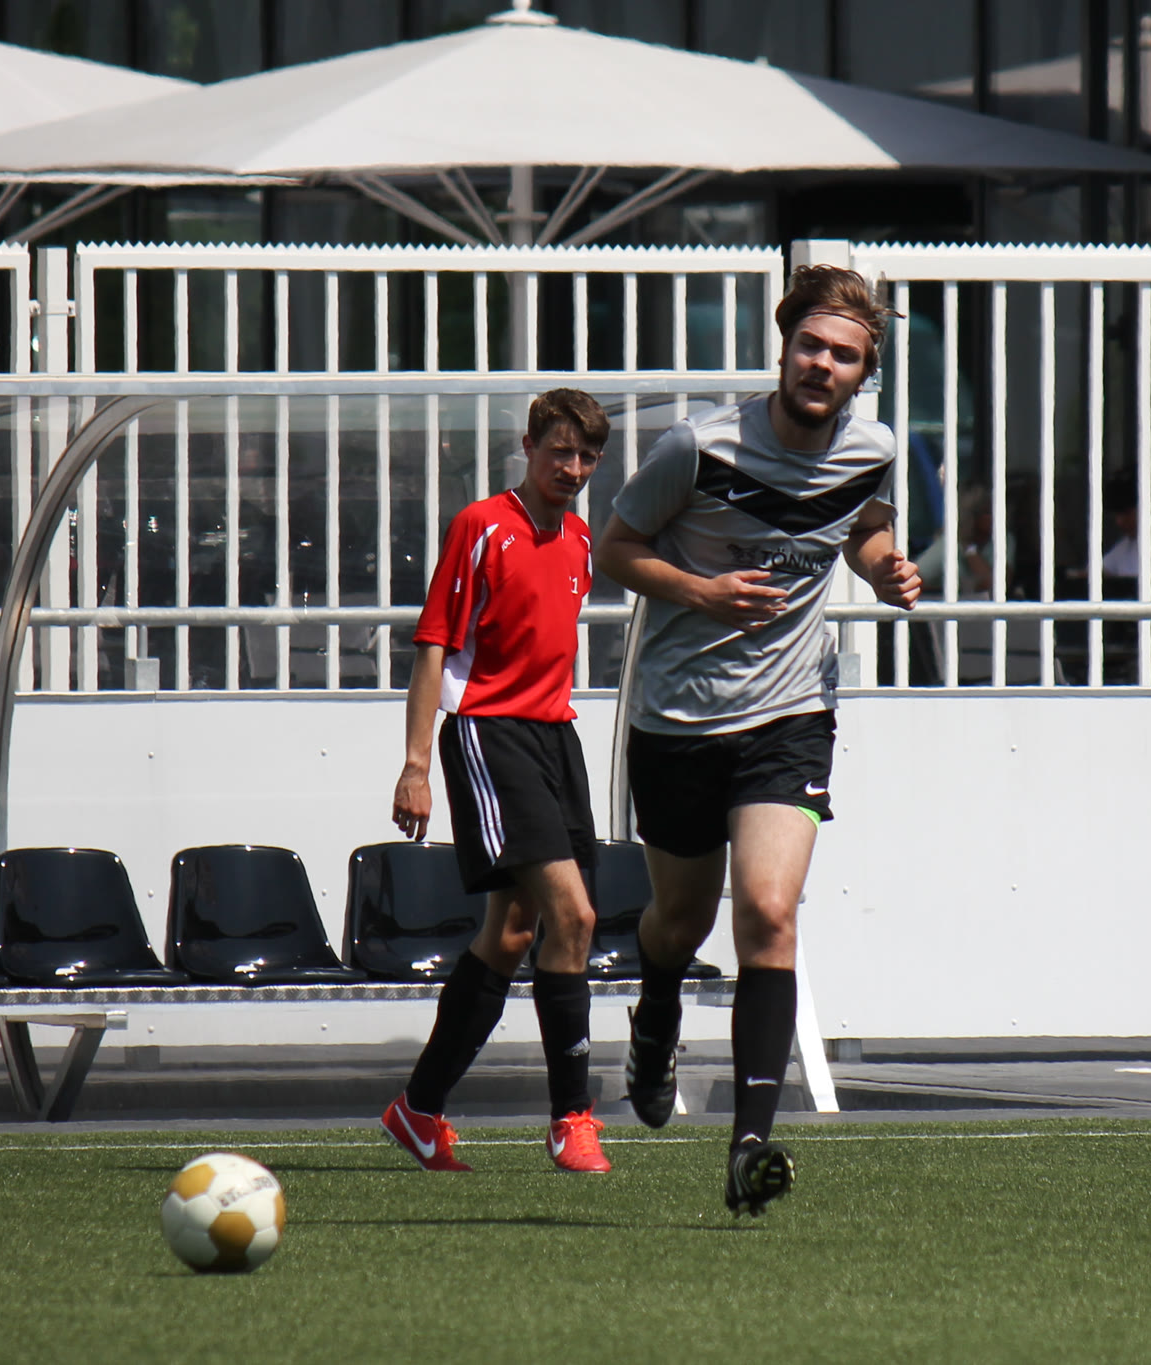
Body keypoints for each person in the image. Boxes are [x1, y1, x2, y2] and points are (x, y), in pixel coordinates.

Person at [594, 266, 920, 1217]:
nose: (822, 364)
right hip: (679, 718)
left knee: (770, 914)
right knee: (680, 921)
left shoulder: (873, 449)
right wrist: (701, 591)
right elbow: (613, 550)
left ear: (863, 374)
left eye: (844, 355)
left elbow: (863, 523)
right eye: (810, 345)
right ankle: (656, 1015)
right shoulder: (698, 447)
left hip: (790, 714)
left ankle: (750, 1145)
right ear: (783, 347)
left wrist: (884, 567)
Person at [380, 388, 612, 1175]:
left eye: (586, 456)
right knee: (574, 915)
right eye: (560, 451)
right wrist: (417, 764)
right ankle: (572, 1118)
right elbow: (433, 645)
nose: (572, 467)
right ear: (528, 446)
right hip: (490, 733)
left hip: (556, 739)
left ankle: (418, 1109)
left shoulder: (580, 538)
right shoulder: (481, 526)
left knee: (512, 934)